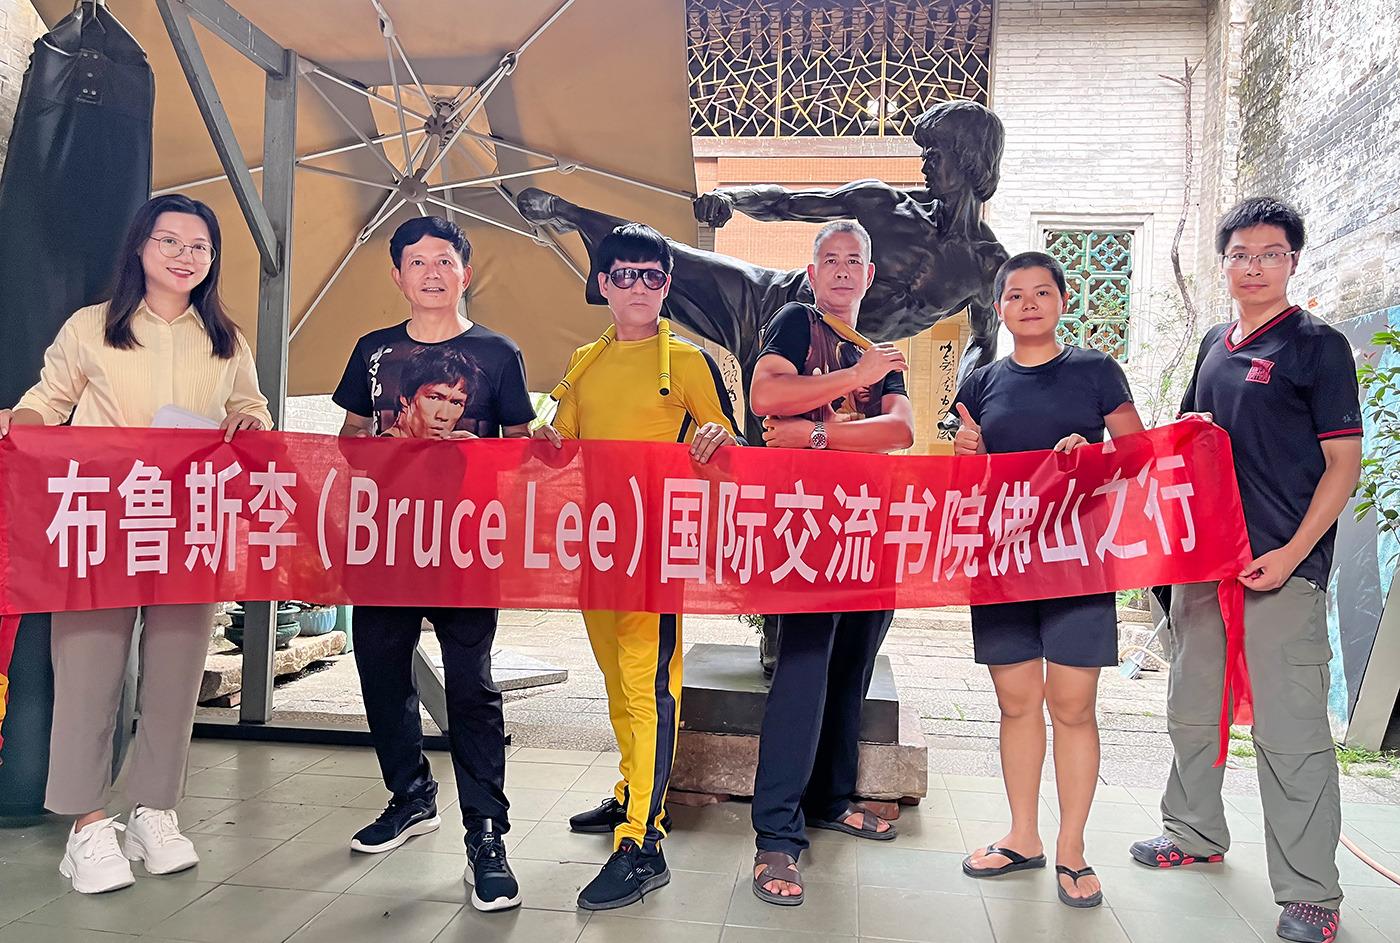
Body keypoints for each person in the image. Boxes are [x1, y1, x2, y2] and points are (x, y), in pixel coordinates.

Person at [0, 194, 271, 894]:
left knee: (176, 676)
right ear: (140, 248)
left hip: (189, 524)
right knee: (87, 675)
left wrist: (249, 423)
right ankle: (87, 826)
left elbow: (250, 407)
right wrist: (23, 426)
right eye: (170, 241)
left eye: (200, 246)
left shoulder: (226, 340)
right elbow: (47, 400)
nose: (185, 256)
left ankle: (155, 812)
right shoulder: (92, 327)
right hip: (99, 521)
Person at [1130, 198, 1362, 943]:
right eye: (1240, 254)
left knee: (1291, 730)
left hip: (1283, 570)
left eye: (1270, 254)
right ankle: (1193, 830)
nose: (1254, 267)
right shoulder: (1213, 343)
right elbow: (1186, 438)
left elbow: (1343, 465)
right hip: (1206, 564)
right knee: (1192, 707)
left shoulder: (1318, 347)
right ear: (1224, 262)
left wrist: (1292, 553)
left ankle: (1311, 892)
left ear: (1292, 261)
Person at [517, 99, 1009, 446]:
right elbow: (785, 203)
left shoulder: (986, 265)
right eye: (925, 151)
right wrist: (730, 199)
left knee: (776, 450)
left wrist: (961, 404)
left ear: (969, 159)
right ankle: (572, 214)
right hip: (778, 302)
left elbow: (983, 342)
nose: (924, 162)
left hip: (834, 354)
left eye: (935, 153)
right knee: (666, 259)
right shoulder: (883, 205)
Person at [332, 215, 536, 913]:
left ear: (464, 273)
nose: (431, 272)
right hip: (385, 542)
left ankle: (487, 834)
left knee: (471, 686)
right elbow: (348, 437)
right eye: (417, 261)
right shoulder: (373, 351)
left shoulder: (499, 353)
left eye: (444, 260)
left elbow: (521, 447)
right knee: (381, 670)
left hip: (465, 546)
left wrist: (489, 454)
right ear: (397, 276)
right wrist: (382, 445)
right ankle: (411, 796)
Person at [535, 222, 740, 911]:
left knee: (647, 684)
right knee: (617, 681)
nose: (639, 287)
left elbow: (731, 447)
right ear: (603, 284)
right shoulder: (583, 361)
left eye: (652, 276)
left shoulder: (688, 361)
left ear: (666, 285)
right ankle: (632, 791)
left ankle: (643, 840)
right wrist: (539, 435)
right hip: (597, 548)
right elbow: (559, 445)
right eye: (625, 275)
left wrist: (716, 438)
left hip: (655, 550)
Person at [952, 251, 1144, 908]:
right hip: (1002, 563)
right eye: (1015, 294)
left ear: (1063, 301)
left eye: (1041, 292)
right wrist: (969, 455)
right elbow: (969, 486)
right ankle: (1023, 836)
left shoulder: (1095, 371)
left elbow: (1137, 456)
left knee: (1073, 706)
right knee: (1015, 704)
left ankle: (1072, 847)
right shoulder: (981, 382)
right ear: (999, 309)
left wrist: (1093, 455)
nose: (1028, 303)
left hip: (1078, 560)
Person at [746, 220, 915, 907]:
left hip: (868, 527)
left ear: (869, 275)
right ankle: (775, 835)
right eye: (830, 259)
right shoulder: (798, 323)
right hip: (805, 530)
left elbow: (900, 430)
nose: (843, 270)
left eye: (854, 260)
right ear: (813, 273)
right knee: (804, 669)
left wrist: (816, 433)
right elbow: (766, 399)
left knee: (852, 667)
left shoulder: (884, 352)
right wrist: (854, 384)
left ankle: (830, 798)